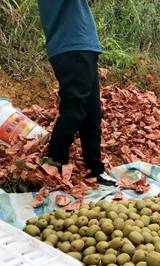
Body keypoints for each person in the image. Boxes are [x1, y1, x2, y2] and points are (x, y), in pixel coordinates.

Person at [37, 0, 114, 186]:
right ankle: (54, 167)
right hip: (73, 45)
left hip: (80, 45)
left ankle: (94, 169)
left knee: (92, 113)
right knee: (75, 110)